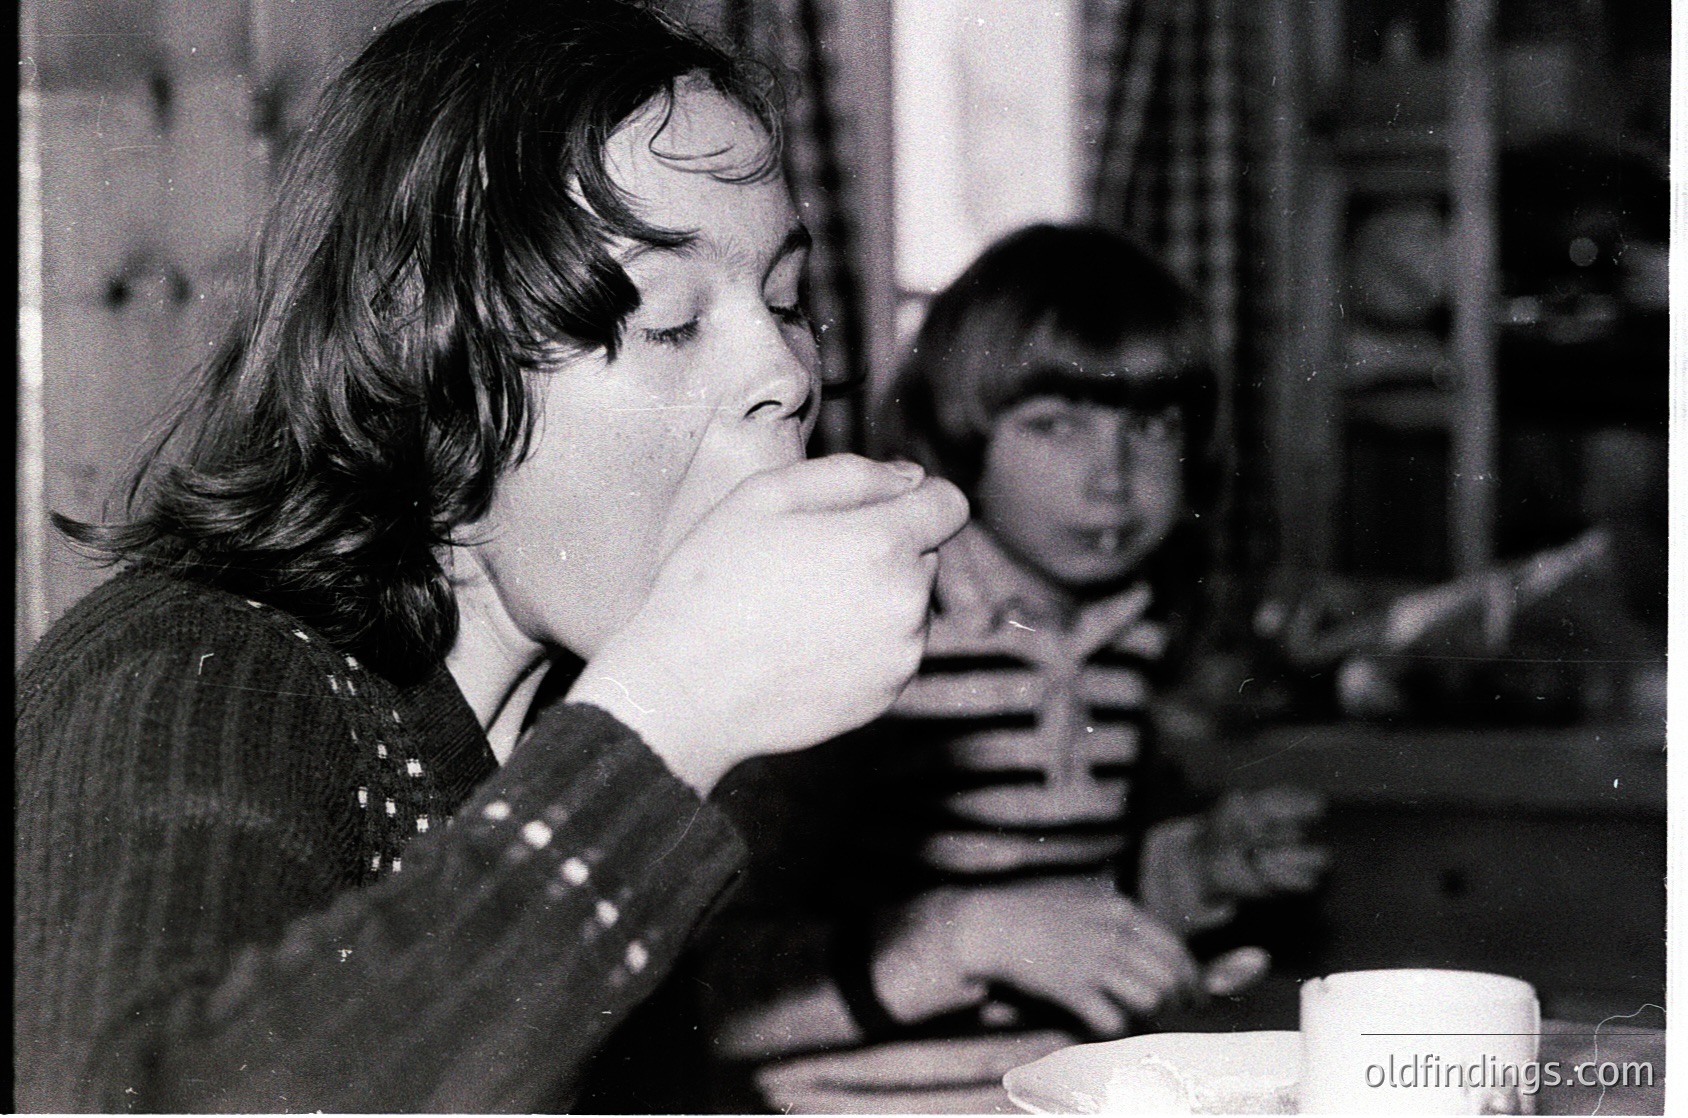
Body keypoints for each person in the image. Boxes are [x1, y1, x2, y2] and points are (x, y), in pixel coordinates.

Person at [13, 2, 967, 1111]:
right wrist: (669, 724)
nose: (788, 371)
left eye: (786, 300)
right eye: (669, 320)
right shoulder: (187, 675)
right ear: (428, 370)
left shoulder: (546, 730)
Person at [701, 225, 1326, 1097]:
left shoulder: (1121, 640)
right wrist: (961, 938)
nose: (1111, 476)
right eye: (1055, 424)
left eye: (1149, 426)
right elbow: (708, 984)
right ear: (958, 439)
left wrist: (1198, 866)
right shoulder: (871, 640)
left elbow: (1060, 902)